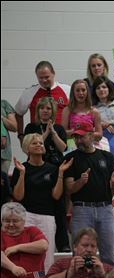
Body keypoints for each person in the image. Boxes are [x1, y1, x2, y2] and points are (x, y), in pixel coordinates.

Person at [11, 133, 73, 272]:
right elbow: (18, 196)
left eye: (40, 143)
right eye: (35, 143)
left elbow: (56, 196)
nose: (39, 145)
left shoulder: (52, 169)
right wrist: (22, 174)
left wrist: (61, 173)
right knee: (26, 253)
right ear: (27, 148)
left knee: (47, 254)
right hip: (26, 216)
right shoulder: (21, 168)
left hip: (47, 216)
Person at [64, 122, 114, 265]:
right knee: (79, 255)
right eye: (76, 137)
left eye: (81, 137)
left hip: (105, 208)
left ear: (91, 136)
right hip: (82, 209)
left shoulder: (107, 157)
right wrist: (80, 182)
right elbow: (69, 189)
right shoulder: (70, 158)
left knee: (109, 255)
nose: (78, 141)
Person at [24, 96, 70, 252]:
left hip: (56, 170)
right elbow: (30, 146)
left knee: (60, 207)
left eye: (48, 108)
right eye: (42, 108)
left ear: (53, 111)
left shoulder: (60, 128)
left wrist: (53, 132)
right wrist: (44, 134)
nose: (45, 111)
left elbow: (63, 148)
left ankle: (63, 244)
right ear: (38, 111)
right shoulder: (31, 127)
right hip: (36, 170)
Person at [15, 60, 70, 143]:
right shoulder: (29, 92)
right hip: (37, 140)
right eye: (40, 78)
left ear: (53, 73)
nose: (44, 80)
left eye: (47, 77)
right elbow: (18, 113)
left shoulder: (67, 90)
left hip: (61, 138)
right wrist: (20, 135)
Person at [61, 79, 102, 152]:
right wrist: (75, 132)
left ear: (87, 92)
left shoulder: (94, 112)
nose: (81, 93)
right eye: (77, 90)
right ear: (73, 93)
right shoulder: (67, 110)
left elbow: (99, 135)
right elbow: (62, 133)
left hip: (90, 146)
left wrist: (86, 134)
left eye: (83, 90)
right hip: (72, 146)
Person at [92, 76, 114, 164]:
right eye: (98, 88)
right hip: (102, 144)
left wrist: (112, 122)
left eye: (104, 87)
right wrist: (102, 125)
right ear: (94, 91)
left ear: (109, 88)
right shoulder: (92, 109)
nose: (101, 90)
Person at [1, 99, 17, 174]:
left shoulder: (3, 103)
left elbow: (14, 127)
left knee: (3, 182)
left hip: (4, 153)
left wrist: (2, 118)